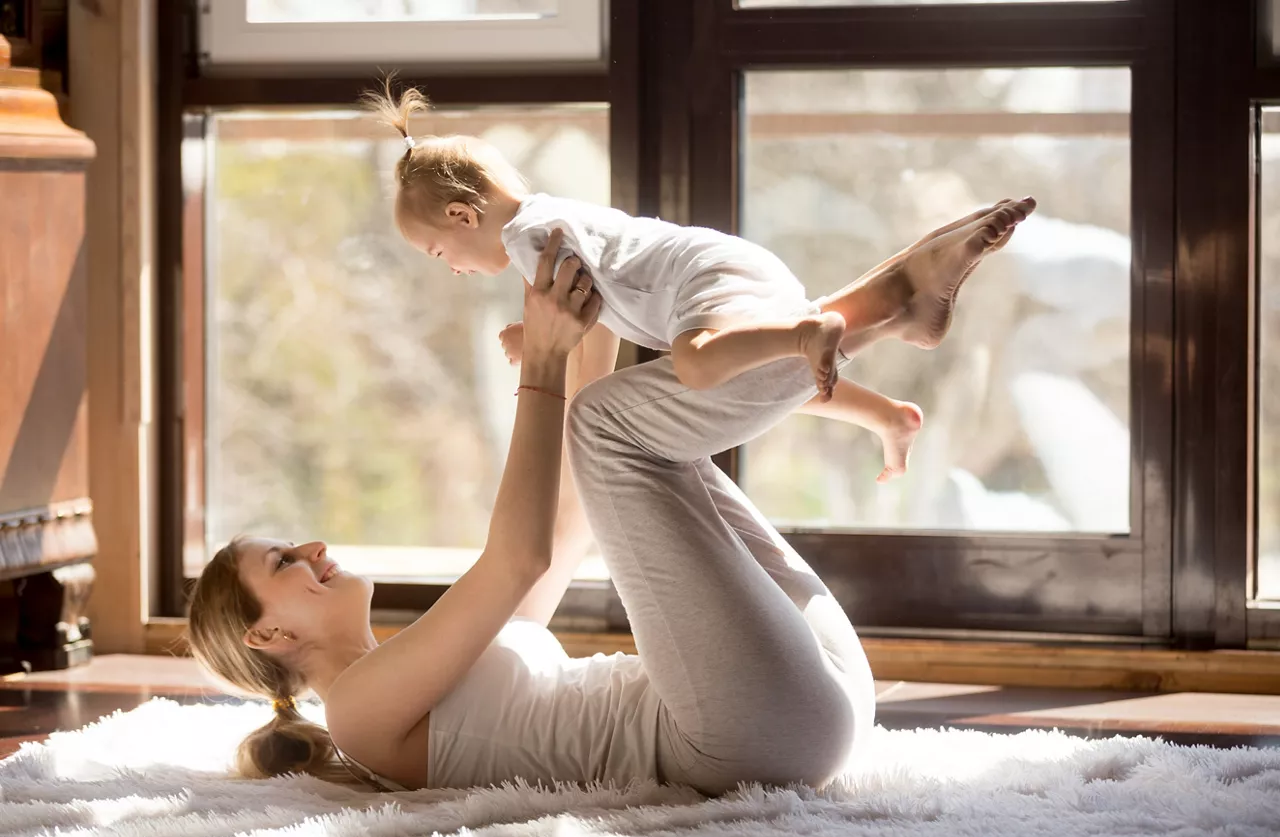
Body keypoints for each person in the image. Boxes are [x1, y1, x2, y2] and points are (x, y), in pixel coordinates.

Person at [186, 188, 1033, 794]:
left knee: (648, 430)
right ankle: (881, 307)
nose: (312, 547)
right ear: (269, 633)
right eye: (284, 560)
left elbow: (568, 524)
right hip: (745, 734)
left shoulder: (427, 659)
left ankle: (886, 307)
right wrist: (543, 367)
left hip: (809, 695)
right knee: (612, 427)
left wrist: (579, 318)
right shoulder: (358, 717)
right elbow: (519, 559)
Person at [365, 82, 1036, 482]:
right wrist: (541, 338)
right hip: (720, 263)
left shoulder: (525, 240)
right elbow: (587, 311)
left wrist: (536, 346)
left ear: (464, 215)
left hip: (701, 280)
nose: (449, 266)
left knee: (695, 363)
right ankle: (886, 407)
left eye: (439, 251)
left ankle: (810, 331)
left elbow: (574, 321)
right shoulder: (546, 220)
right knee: (751, 378)